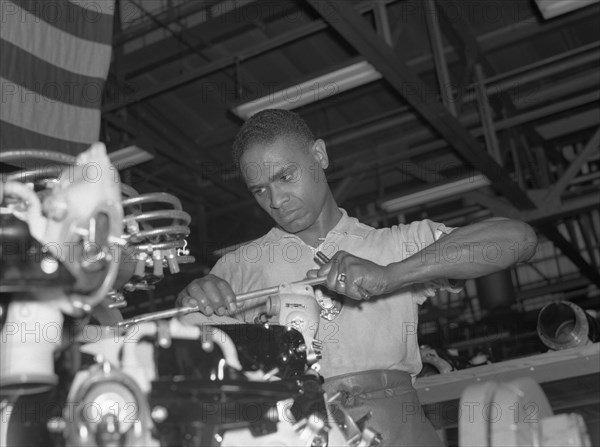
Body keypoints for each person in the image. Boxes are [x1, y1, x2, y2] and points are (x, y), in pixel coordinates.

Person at [177, 109, 538, 446]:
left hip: (400, 429)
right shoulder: (239, 267)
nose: (276, 200)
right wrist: (192, 300)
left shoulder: (395, 244)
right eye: (259, 190)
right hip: (295, 430)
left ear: (319, 155)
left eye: (285, 177)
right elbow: (184, 353)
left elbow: (519, 239)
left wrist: (393, 276)